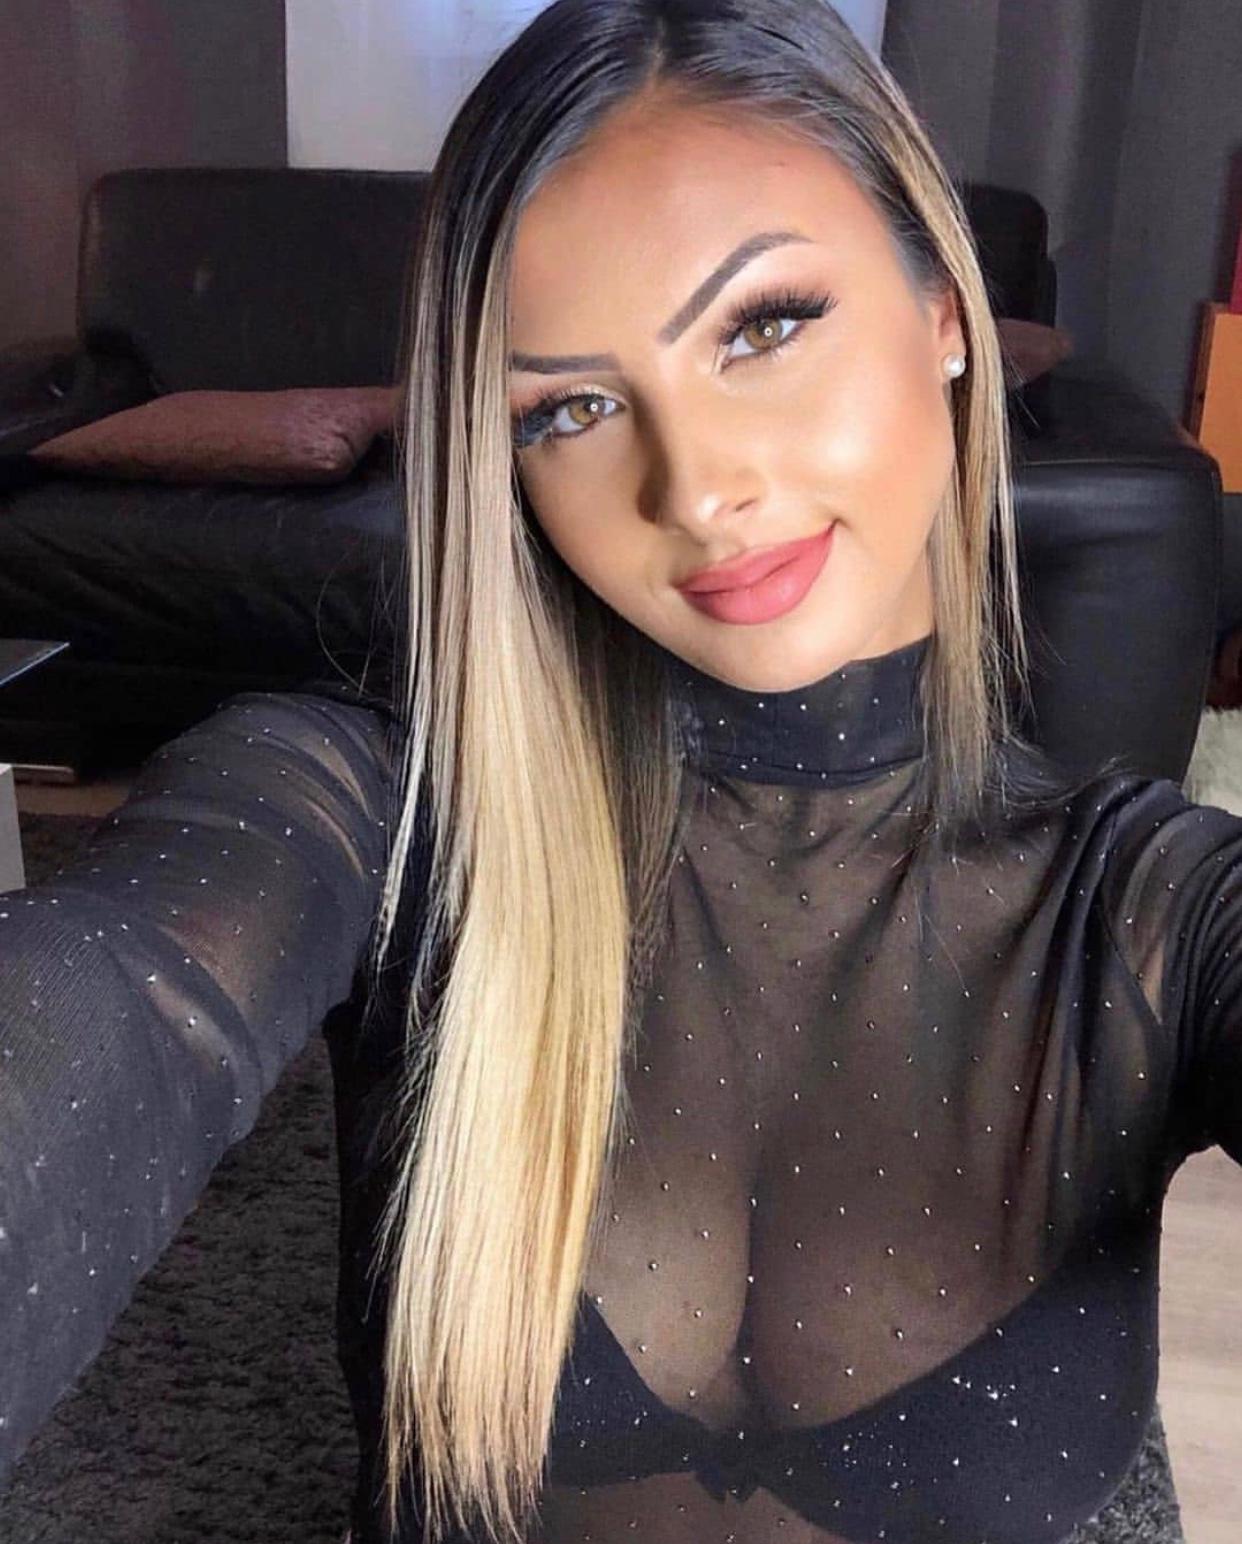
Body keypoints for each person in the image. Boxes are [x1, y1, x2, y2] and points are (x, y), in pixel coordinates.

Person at [328, 2, 1242, 1540]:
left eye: (758, 328)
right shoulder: (391, 828)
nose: (694, 490)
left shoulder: (1152, 915)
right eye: (571, 408)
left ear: (942, 309)